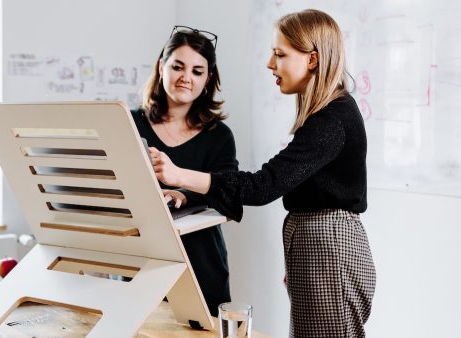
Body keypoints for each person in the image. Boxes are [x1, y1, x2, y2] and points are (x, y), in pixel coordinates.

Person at [149, 10, 376, 338]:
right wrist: (300, 257)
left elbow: (262, 186)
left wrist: (179, 176)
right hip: (317, 247)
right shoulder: (326, 116)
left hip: (328, 248)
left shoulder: (332, 119)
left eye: (280, 54)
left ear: (312, 60)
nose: (271, 63)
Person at [131, 25, 238, 317]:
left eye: (197, 71)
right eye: (177, 66)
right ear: (161, 67)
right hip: (140, 268)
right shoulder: (129, 124)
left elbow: (229, 197)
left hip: (202, 267)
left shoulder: (219, 136)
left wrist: (182, 194)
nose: (185, 78)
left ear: (208, 80)